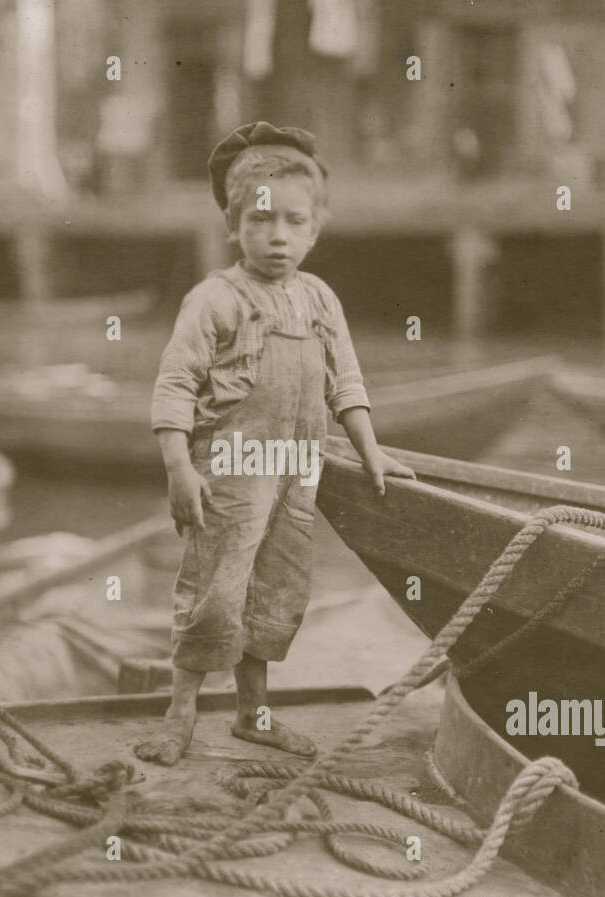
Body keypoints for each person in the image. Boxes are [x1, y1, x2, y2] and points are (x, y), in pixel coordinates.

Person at [137, 121, 414, 766]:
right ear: (234, 225)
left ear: (315, 229)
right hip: (231, 473)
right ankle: (179, 717)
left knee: (278, 594)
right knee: (216, 591)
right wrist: (180, 469)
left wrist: (370, 449)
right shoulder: (215, 300)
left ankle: (253, 716)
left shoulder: (320, 300)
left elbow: (346, 381)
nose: (278, 236)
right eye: (261, 221)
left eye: (295, 222)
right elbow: (175, 385)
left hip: (297, 472)